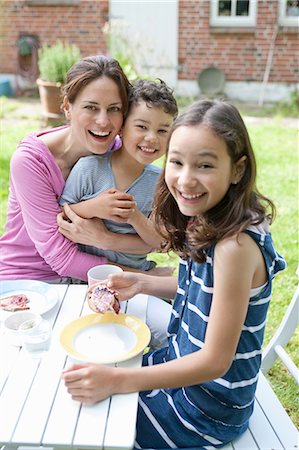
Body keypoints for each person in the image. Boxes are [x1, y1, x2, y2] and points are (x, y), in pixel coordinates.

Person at [62, 99, 286, 449]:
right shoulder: (210, 216)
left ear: (238, 170)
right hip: (177, 364)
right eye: (177, 162)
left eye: (205, 165)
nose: (185, 179)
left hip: (206, 408)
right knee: (89, 384)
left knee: (92, 431)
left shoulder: (235, 247)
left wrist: (119, 383)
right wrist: (143, 282)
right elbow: (200, 288)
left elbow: (214, 361)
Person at [0, 55, 160, 282]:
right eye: (91, 107)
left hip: (88, 279)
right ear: (67, 106)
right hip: (29, 278)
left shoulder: (115, 153)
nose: (103, 122)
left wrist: (110, 240)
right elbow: (61, 258)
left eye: (114, 109)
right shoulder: (29, 162)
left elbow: (155, 238)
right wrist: (147, 279)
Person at [59, 79, 178, 271]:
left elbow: (161, 242)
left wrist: (134, 216)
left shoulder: (160, 183)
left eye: (163, 130)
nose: (152, 138)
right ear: (121, 127)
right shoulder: (89, 169)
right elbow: (62, 216)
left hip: (138, 278)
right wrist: (94, 208)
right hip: (85, 279)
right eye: (141, 126)